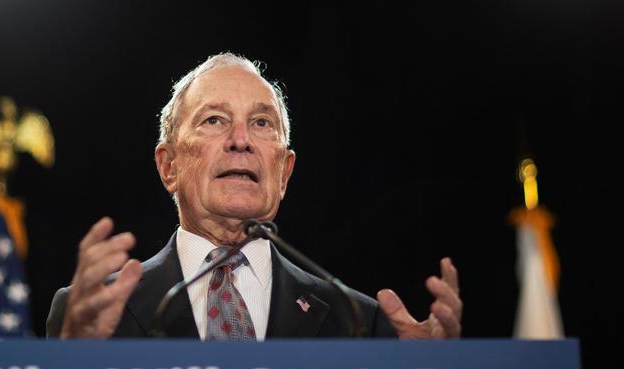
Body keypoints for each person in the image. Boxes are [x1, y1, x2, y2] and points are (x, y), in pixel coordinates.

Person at [46, 53, 462, 340]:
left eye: (261, 123)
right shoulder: (92, 314)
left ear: (284, 172)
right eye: (214, 120)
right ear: (168, 166)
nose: (241, 140)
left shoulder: (357, 320)